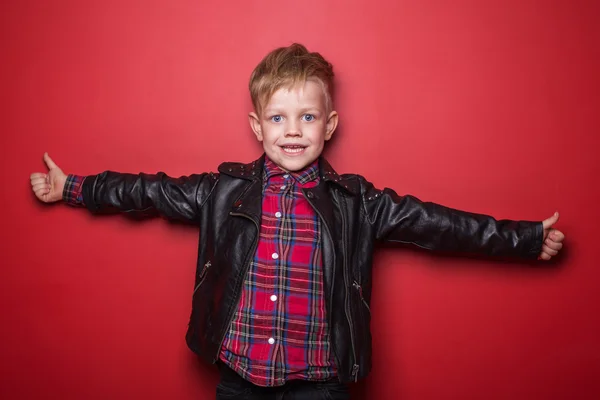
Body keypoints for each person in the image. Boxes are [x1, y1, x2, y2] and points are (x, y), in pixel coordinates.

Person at [29, 43, 565, 400]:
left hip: (319, 383)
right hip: (238, 376)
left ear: (328, 124)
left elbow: (440, 225)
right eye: (278, 118)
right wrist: (73, 186)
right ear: (257, 126)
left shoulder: (358, 202)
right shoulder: (225, 190)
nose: (293, 131)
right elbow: (148, 191)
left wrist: (523, 239)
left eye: (307, 117)